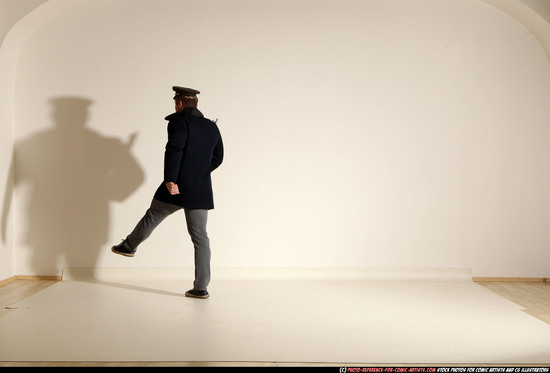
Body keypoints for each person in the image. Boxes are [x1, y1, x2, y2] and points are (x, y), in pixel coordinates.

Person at [111, 86, 224, 299]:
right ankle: (201, 288)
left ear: (179, 103)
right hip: (200, 188)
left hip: (178, 186)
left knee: (153, 215)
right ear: (195, 104)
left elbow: (174, 150)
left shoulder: (178, 122)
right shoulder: (211, 127)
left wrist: (171, 180)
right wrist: (198, 173)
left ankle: (128, 246)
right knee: (200, 236)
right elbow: (218, 158)